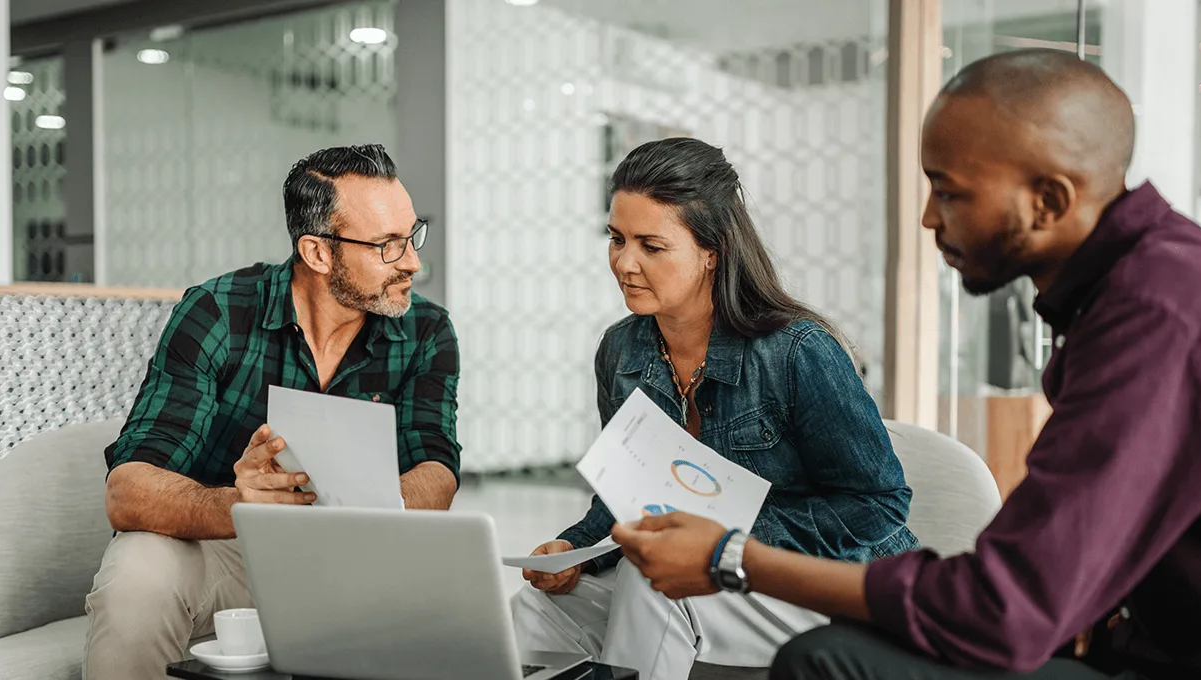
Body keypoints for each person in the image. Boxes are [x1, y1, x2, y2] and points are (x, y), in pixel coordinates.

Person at [609, 50, 1201, 680]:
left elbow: (1002, 607)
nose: (929, 217)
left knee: (829, 662)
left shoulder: (1163, 311)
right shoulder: (1139, 289)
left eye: (950, 192)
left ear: (1049, 201)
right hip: (1141, 641)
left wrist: (733, 559)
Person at [511, 137, 919, 680]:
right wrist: (576, 548)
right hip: (713, 580)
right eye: (616, 238)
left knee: (648, 582)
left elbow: (879, 505)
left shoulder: (796, 352)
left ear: (712, 252)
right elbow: (624, 499)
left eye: (651, 246)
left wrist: (728, 544)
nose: (624, 263)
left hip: (822, 586)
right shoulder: (621, 351)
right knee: (530, 612)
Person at [84, 144, 461, 680]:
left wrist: (367, 504)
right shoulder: (217, 312)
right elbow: (127, 492)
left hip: (359, 556)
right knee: (138, 570)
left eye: (412, 235)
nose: (413, 263)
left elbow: (438, 472)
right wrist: (240, 503)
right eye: (388, 246)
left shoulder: (426, 330)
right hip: (231, 548)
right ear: (318, 252)